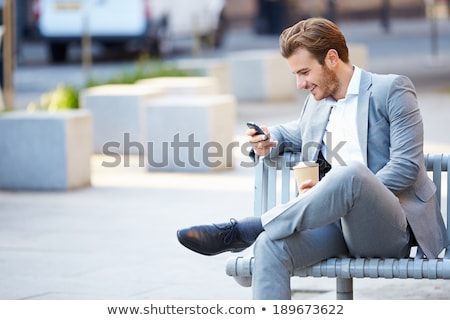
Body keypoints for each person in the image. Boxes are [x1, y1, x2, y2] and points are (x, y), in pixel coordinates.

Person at [176, 17, 449, 299]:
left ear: (332, 58)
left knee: (351, 174)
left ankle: (247, 229)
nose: (299, 84)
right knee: (270, 245)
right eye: (295, 74)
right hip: (334, 228)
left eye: (304, 72)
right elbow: (295, 132)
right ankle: (259, 233)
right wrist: (271, 137)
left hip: (389, 229)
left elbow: (405, 168)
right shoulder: (318, 104)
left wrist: (340, 190)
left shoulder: (392, 90)